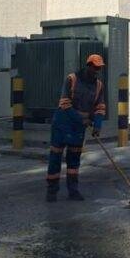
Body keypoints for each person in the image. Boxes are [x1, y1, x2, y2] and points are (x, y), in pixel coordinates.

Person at [46, 53, 106, 202]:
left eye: (99, 68)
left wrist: (97, 125)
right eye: (95, 68)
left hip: (78, 128)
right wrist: (81, 119)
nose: (97, 71)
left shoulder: (99, 85)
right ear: (88, 66)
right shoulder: (72, 79)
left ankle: (73, 191)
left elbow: (100, 107)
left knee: (74, 160)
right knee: (55, 157)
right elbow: (64, 103)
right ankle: (52, 191)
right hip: (62, 124)